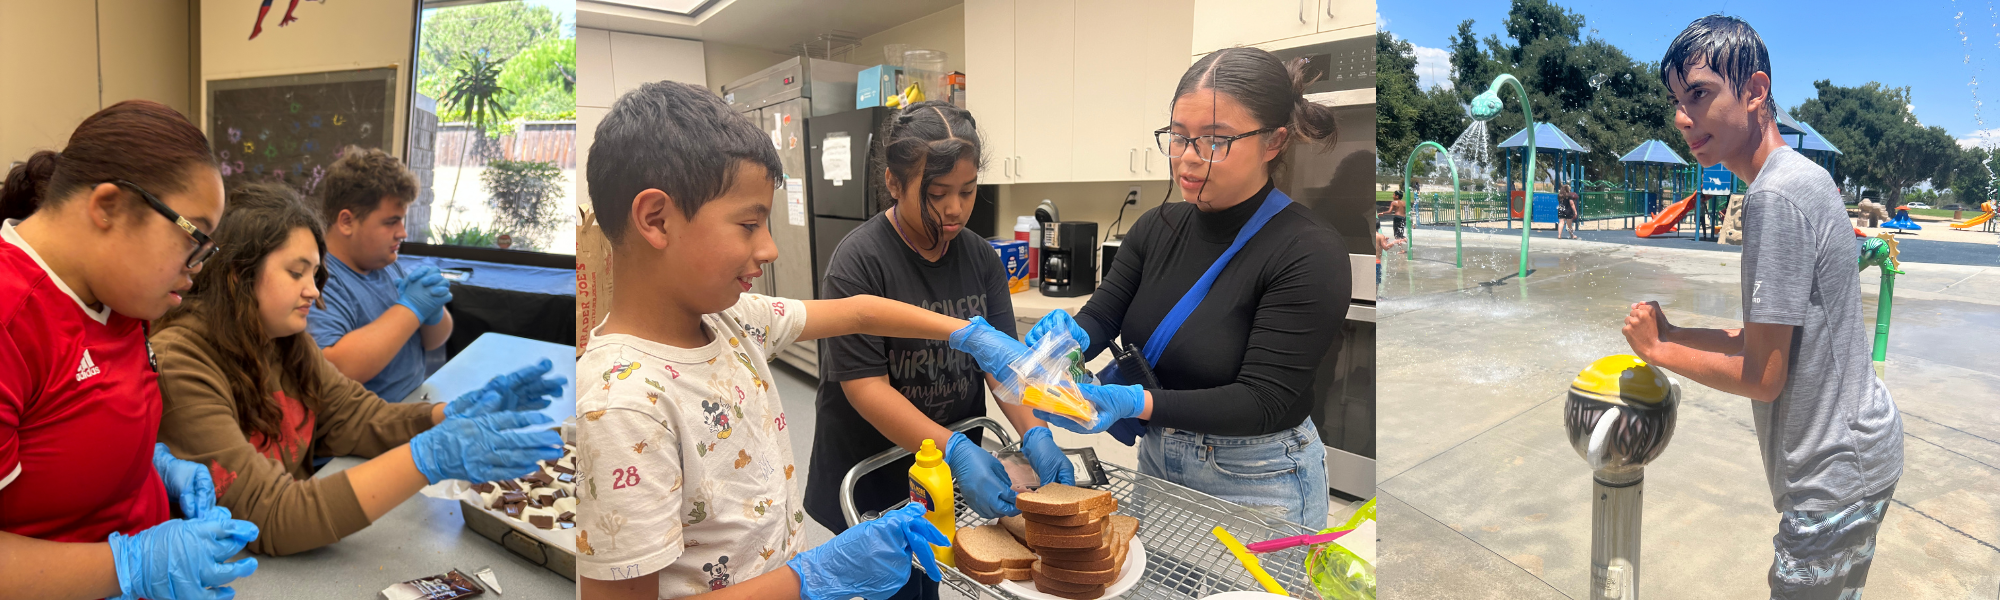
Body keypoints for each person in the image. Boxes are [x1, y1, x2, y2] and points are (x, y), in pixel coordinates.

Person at [574, 81, 1033, 600]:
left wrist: (967, 334)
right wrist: (811, 575)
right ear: (656, 220)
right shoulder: (620, 407)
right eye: (750, 225)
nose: (770, 249)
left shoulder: (733, 319)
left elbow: (860, 311)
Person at [1623, 16, 1902, 599]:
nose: (1682, 116)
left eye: (1698, 93)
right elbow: (1764, 339)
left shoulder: (1774, 195)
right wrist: (1678, 332)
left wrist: (1659, 350)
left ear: (1754, 90)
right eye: (1677, 99)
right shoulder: (1804, 177)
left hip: (1832, 477)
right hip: (1861, 454)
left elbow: (1765, 376)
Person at [1022, 47, 1351, 529]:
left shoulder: (1308, 250)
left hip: (1259, 478)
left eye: (1215, 141)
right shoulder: (1156, 226)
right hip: (1158, 462)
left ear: (1274, 142)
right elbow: (1103, 314)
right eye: (1177, 137)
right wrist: (1067, 337)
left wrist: (1133, 402)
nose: (1188, 159)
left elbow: (1263, 401)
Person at [150, 182, 565, 556]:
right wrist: (427, 459)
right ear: (237, 276)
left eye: (315, 274)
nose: (312, 290)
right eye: (296, 273)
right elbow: (271, 516)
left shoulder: (283, 340)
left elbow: (359, 417)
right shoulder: (182, 361)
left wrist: (449, 415)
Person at [803, 101, 1073, 600]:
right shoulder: (859, 261)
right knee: (897, 588)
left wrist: (1036, 432)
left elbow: (1004, 368)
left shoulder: (980, 258)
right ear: (893, 183)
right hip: (875, 472)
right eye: (936, 193)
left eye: (967, 192)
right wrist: (954, 449)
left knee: (930, 581)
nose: (955, 208)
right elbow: (864, 389)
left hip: (943, 473)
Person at [0, 100, 260, 600]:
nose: (199, 265)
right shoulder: (13, 320)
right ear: (107, 207)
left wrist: (152, 466)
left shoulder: (117, 292)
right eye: (194, 237)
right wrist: (132, 565)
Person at [307, 147, 453, 404]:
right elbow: (334, 368)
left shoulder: (386, 263)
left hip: (415, 399)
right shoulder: (320, 280)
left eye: (402, 221)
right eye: (390, 222)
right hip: (371, 425)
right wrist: (411, 308)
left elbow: (433, 342)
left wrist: (434, 312)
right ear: (347, 222)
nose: (402, 233)